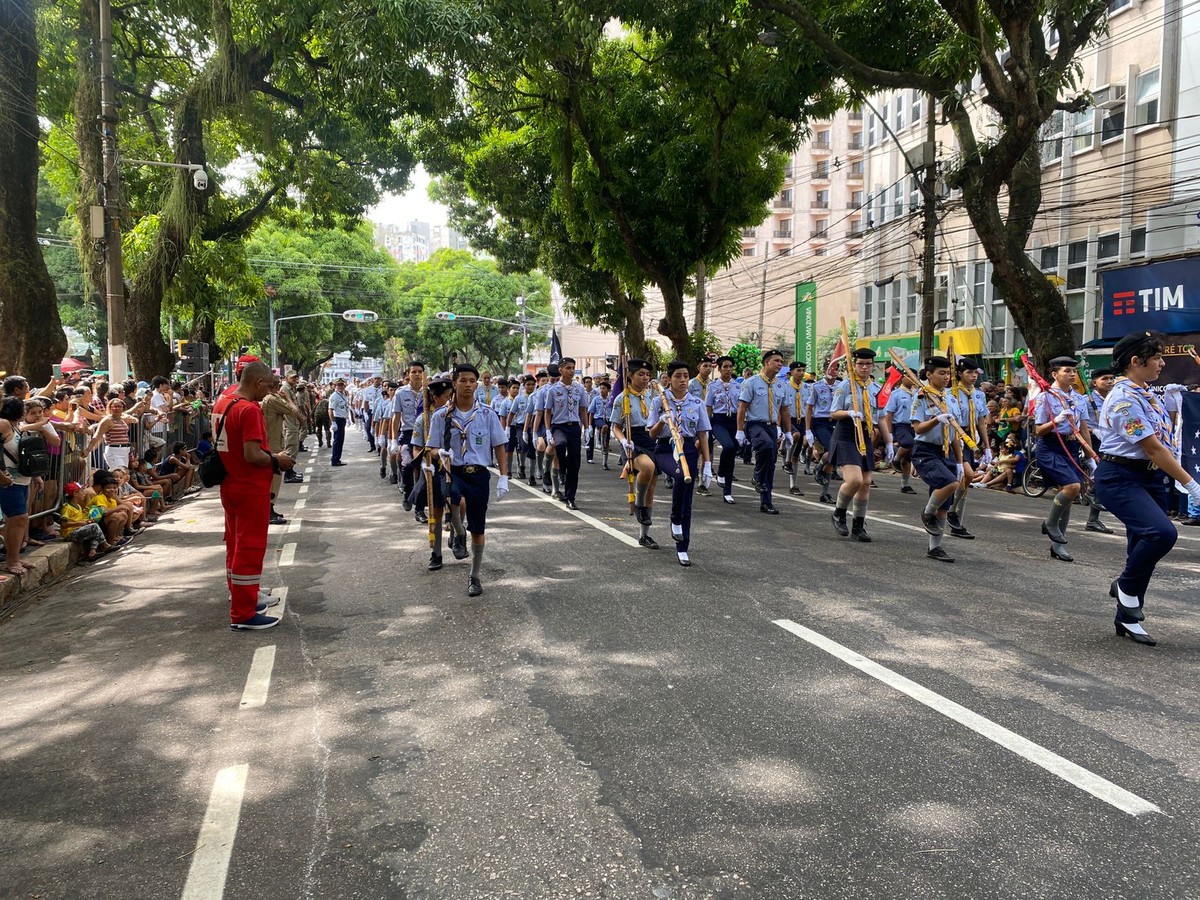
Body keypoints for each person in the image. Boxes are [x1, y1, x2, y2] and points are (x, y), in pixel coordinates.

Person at [1095, 331, 1200, 646]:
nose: (1162, 363)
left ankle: (1126, 619)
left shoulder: (1145, 392)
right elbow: (1152, 448)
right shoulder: (1124, 398)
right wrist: (1191, 484)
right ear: (1135, 361)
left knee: (1140, 548)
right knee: (1162, 534)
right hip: (1120, 476)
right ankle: (1125, 587)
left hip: (1149, 477)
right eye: (1157, 358)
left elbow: (1163, 437)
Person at [214, 362, 296, 630]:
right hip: (249, 487)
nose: (269, 393)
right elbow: (252, 454)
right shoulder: (248, 410)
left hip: (230, 483)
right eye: (268, 386)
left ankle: (241, 597)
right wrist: (277, 459)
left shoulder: (224, 401)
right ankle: (243, 613)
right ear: (258, 382)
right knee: (249, 549)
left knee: (235, 545)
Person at [426, 364, 510, 597]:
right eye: (463, 380)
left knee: (478, 527)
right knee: (452, 499)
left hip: (478, 474)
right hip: (453, 471)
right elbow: (431, 448)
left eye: (472, 380)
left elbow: (499, 445)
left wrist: (503, 476)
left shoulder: (486, 414)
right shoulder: (441, 416)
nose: (468, 385)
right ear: (454, 383)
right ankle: (458, 532)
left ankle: (474, 576)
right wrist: (439, 454)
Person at [1035, 356, 1098, 562]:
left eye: (1074, 371)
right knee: (1073, 487)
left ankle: (1058, 546)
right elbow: (1038, 430)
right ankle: (1050, 523)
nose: (1072, 374)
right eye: (1067, 371)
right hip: (1051, 445)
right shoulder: (1046, 397)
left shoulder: (1079, 398)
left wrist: (1090, 457)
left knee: (1069, 499)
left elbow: (1083, 429)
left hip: (1071, 446)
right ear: (1054, 374)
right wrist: (1057, 420)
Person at [650, 360, 712, 567]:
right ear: (669, 378)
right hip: (666, 449)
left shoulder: (696, 403)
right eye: (678, 376)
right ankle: (674, 518)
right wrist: (662, 420)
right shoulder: (660, 400)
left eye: (686, 376)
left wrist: (708, 464)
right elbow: (651, 433)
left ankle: (683, 546)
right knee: (679, 475)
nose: (683, 380)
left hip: (689, 450)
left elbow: (702, 434)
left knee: (687, 498)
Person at [828, 348, 888, 542]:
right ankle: (838, 513)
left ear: (873, 366)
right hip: (846, 433)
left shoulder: (875, 388)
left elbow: (882, 417)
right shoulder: (846, 385)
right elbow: (833, 412)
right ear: (854, 365)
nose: (864, 367)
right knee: (854, 480)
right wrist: (849, 413)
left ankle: (858, 525)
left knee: (866, 483)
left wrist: (889, 442)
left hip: (866, 433)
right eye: (860, 364)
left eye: (868, 364)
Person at [910, 357, 963, 563]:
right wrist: (935, 420)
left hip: (947, 451)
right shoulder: (921, 397)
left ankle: (935, 547)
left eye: (948, 373)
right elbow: (918, 428)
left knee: (944, 504)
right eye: (941, 373)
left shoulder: (951, 398)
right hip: (926, 451)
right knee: (950, 483)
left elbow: (955, 434)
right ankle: (926, 513)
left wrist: (959, 462)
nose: (946, 377)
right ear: (929, 375)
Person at [610, 359, 661, 548]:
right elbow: (615, 426)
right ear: (630, 376)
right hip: (633, 440)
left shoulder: (653, 396)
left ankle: (644, 535)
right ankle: (638, 504)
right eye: (641, 374)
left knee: (652, 489)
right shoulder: (622, 398)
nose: (645, 378)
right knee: (647, 466)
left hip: (651, 438)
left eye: (647, 374)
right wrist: (623, 440)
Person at [737, 349, 791, 514]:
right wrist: (739, 430)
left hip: (772, 426)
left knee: (771, 464)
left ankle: (766, 502)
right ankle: (757, 476)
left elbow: (784, 411)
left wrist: (787, 432)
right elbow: (742, 407)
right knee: (766, 446)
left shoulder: (782, 385)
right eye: (776, 361)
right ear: (767, 362)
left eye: (781, 361)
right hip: (754, 424)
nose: (780, 364)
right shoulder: (751, 382)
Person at [947, 358, 988, 540]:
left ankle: (956, 520)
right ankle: (950, 510)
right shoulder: (951, 393)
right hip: (956, 436)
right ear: (959, 374)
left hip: (972, 437)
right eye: (969, 373)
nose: (973, 376)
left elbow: (981, 421)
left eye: (975, 373)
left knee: (965, 481)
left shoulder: (979, 395)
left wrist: (986, 447)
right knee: (968, 475)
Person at [542, 356, 588, 509]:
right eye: (568, 368)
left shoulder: (579, 388)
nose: (571, 371)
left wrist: (587, 428)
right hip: (559, 426)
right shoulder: (553, 390)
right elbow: (547, 412)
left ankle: (570, 497)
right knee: (560, 445)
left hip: (574, 426)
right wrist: (548, 431)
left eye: (573, 368)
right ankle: (562, 468)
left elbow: (582, 409)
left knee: (575, 463)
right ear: (560, 370)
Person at [1080, 368, 1116, 534]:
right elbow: (1083, 424)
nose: (1109, 381)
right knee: (1101, 474)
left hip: (1111, 440)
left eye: (1111, 378)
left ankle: (1093, 519)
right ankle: (1091, 497)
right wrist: (1095, 432)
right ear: (1094, 382)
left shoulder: (1114, 397)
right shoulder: (1086, 400)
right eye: (1105, 379)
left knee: (1104, 476)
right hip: (1093, 441)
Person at [705, 355, 741, 505]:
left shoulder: (738, 386)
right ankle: (720, 472)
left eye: (730, 367)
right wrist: (707, 426)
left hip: (733, 420)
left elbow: (741, 406)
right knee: (728, 446)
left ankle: (727, 491)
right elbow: (708, 407)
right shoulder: (713, 386)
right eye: (725, 367)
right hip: (718, 421)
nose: (728, 369)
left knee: (733, 452)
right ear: (719, 369)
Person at [806, 368, 838, 504]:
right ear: (825, 370)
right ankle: (818, 468)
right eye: (831, 368)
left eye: (836, 369)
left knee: (833, 457)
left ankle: (825, 493)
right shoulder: (816, 386)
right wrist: (807, 430)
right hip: (821, 422)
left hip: (836, 422)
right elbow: (809, 408)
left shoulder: (841, 386)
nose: (833, 372)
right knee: (832, 450)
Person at [883, 369, 917, 494]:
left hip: (914, 425)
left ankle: (905, 485)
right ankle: (896, 458)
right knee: (908, 443)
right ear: (902, 378)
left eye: (914, 376)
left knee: (907, 459)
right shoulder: (896, 394)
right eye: (909, 376)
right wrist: (889, 432)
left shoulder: (918, 393)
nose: (912, 379)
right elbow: (889, 414)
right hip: (900, 425)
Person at [59, 481, 110, 561]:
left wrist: (87, 521)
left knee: (94, 525)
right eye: (81, 491)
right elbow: (63, 524)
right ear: (75, 494)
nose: (84, 493)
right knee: (94, 527)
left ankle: (92, 552)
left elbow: (79, 519)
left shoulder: (78, 506)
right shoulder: (67, 508)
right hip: (70, 534)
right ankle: (104, 545)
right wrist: (80, 523)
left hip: (77, 529)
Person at [782, 362, 809, 496]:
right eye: (798, 370)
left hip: (801, 420)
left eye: (803, 370)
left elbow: (809, 408)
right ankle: (786, 459)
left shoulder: (807, 388)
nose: (801, 373)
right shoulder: (785, 387)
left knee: (796, 456)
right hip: (788, 419)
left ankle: (793, 485)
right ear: (791, 372)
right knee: (796, 435)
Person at [587, 379, 611, 470]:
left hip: (608, 419)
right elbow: (591, 412)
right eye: (601, 388)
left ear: (608, 390)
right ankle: (600, 439)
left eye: (604, 388)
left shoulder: (611, 399)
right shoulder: (596, 399)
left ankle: (604, 463)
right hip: (598, 419)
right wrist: (590, 426)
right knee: (604, 426)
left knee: (607, 443)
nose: (602, 390)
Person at [328, 378, 350, 465]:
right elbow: (330, 410)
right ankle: (335, 460)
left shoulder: (343, 394)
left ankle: (337, 459)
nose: (340, 386)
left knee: (340, 440)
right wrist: (333, 422)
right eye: (338, 385)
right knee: (337, 440)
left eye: (341, 385)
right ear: (335, 386)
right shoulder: (334, 396)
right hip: (337, 419)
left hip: (342, 419)